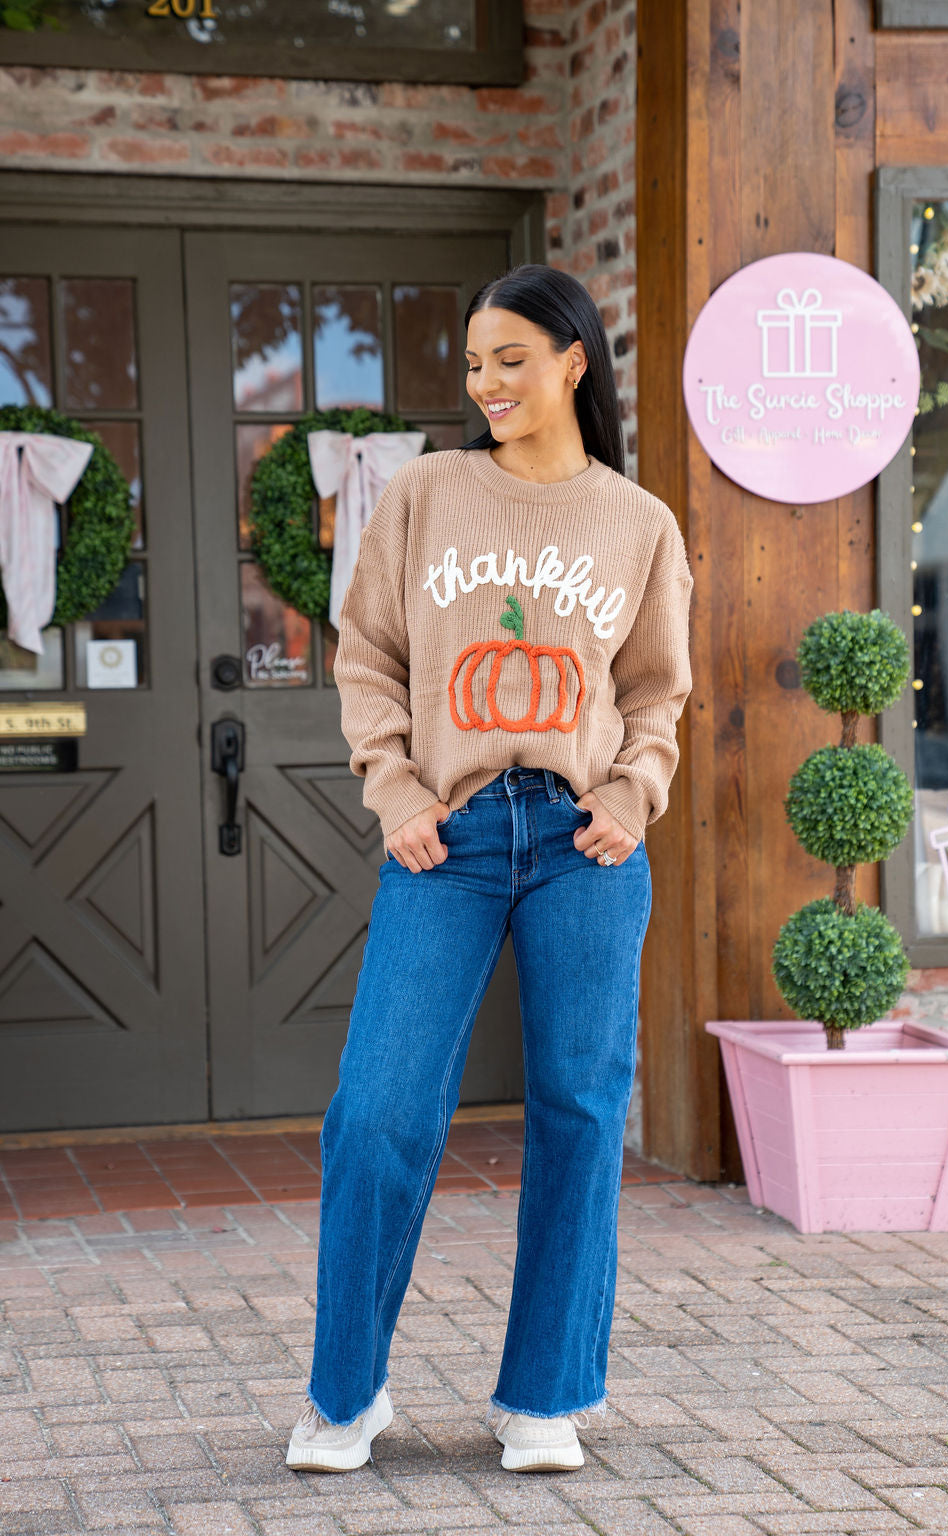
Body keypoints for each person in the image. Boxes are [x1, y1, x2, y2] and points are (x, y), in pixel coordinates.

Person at [286, 262, 694, 1475]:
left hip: (583, 842)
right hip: (446, 838)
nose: (486, 383)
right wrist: (394, 788)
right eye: (474, 363)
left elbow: (655, 692)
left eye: (510, 358)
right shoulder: (425, 494)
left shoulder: (638, 522)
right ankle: (345, 1397)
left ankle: (544, 1398)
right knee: (378, 1111)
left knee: (579, 1109)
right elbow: (367, 655)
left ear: (573, 361)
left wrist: (632, 791)